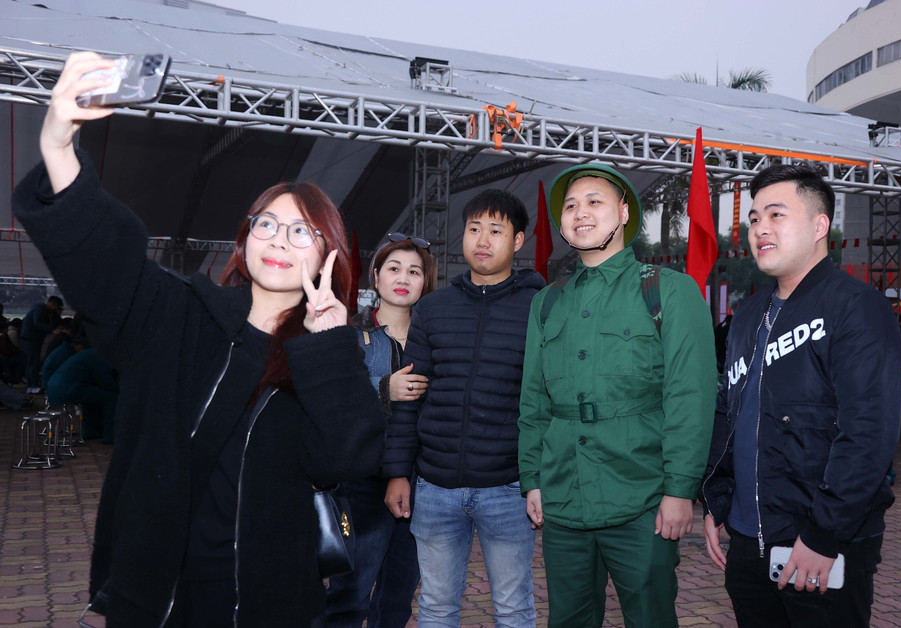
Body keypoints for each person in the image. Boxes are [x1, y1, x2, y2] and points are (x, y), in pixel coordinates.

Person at [12, 52, 385, 627]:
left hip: (267, 599)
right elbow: (112, 268)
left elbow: (345, 459)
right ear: (245, 238)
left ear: (329, 252)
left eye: (302, 230)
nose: (279, 238)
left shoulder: (328, 352)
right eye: (266, 222)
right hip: (160, 591)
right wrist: (59, 149)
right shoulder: (183, 313)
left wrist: (329, 343)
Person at [701, 164, 901, 627]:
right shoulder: (747, 315)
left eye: (775, 214)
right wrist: (716, 499)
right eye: (753, 219)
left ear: (818, 225)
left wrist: (822, 535)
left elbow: (868, 435)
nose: (760, 229)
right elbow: (725, 414)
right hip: (748, 545)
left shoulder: (856, 308)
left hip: (819, 548)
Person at [518, 164, 716, 627]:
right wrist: (533, 479)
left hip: (642, 499)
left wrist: (679, 490)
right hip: (564, 499)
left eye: (593, 201)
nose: (579, 213)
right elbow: (534, 402)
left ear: (624, 212)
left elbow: (691, 396)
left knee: (649, 618)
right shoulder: (547, 301)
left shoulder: (667, 290)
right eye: (570, 205)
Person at [382, 189, 545, 627]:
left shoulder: (540, 309)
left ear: (518, 240)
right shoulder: (434, 308)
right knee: (435, 607)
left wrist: (538, 479)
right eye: (474, 229)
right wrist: (398, 473)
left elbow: (548, 400)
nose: (483, 240)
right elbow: (409, 398)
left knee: (514, 608)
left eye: (496, 230)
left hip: (507, 488)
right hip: (435, 488)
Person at [325, 234, 437, 627]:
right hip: (362, 483)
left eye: (414, 270)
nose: (403, 277)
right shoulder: (351, 337)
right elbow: (330, 405)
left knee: (398, 596)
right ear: (376, 276)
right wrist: (382, 389)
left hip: (422, 483)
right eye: (393, 268)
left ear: (426, 281)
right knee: (349, 593)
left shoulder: (435, 342)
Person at [20, 295, 63, 392]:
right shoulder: (40, 309)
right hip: (31, 339)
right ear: (53, 304)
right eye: (57, 307)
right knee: (34, 362)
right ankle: (34, 386)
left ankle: (31, 386)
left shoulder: (37, 307)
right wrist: (52, 330)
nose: (56, 310)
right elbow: (37, 322)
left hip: (29, 339)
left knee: (31, 363)